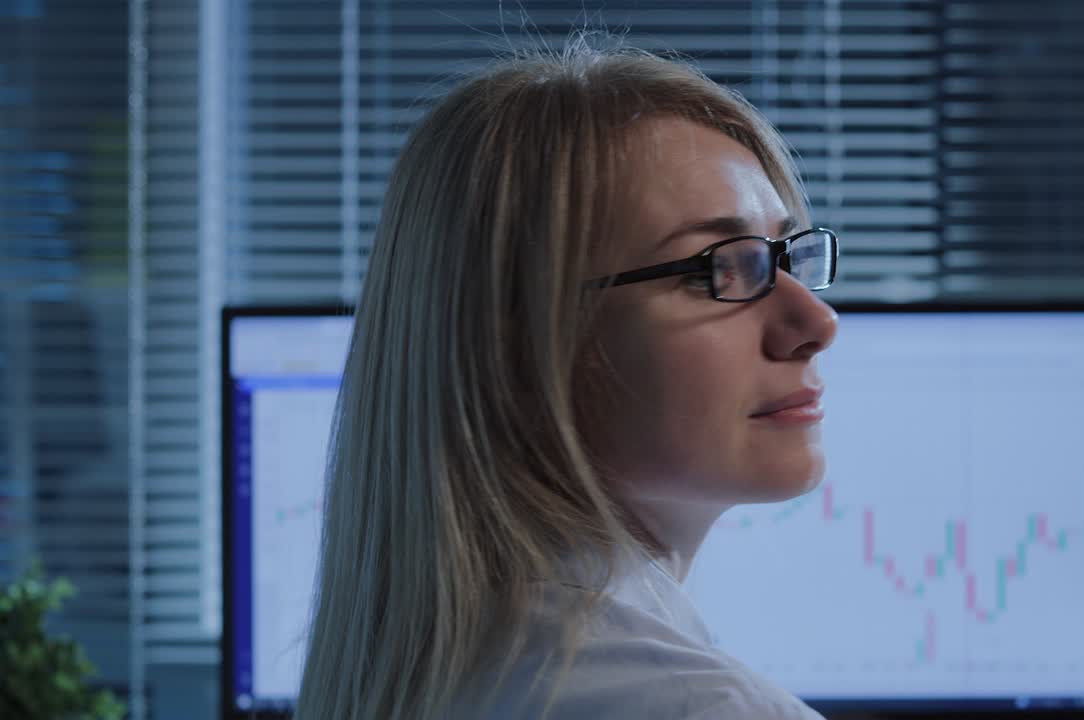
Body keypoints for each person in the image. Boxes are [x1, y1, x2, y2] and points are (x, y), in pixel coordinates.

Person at [296, 40, 840, 719]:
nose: (816, 322)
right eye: (717, 269)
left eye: (784, 257)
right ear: (520, 345)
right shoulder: (707, 708)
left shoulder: (427, 669)